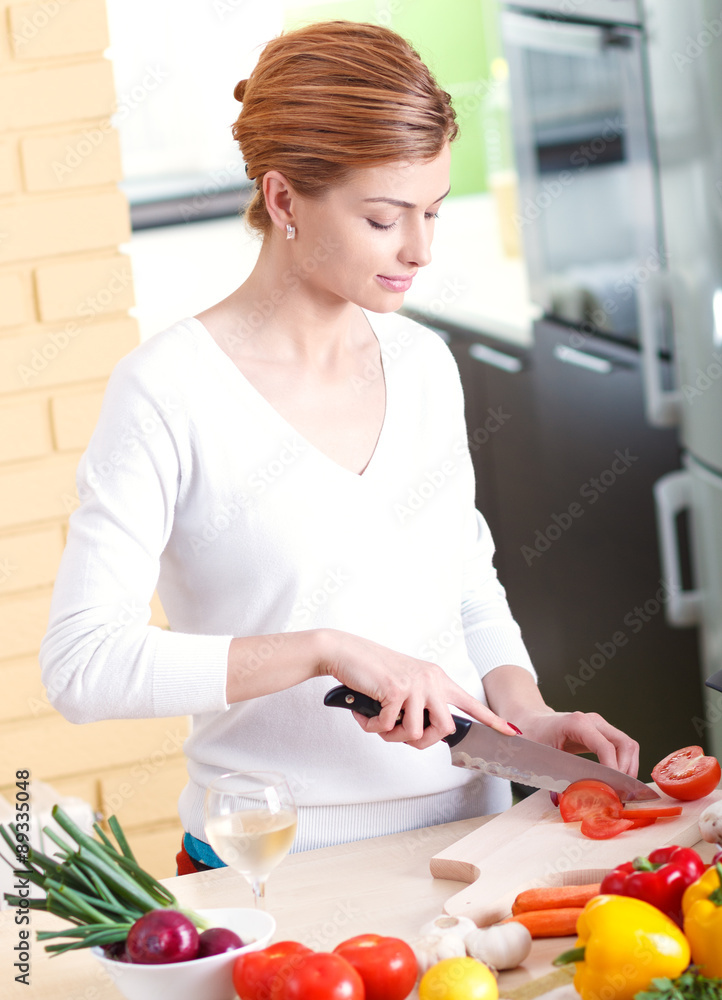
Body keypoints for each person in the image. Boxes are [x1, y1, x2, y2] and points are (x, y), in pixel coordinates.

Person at [39, 20, 639, 872]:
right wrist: (323, 649)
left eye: (430, 212)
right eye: (384, 218)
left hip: (474, 841)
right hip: (271, 857)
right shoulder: (167, 391)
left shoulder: (422, 362)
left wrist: (527, 716)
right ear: (283, 201)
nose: (421, 250)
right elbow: (83, 666)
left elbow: (464, 583)